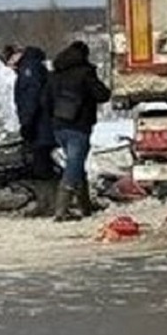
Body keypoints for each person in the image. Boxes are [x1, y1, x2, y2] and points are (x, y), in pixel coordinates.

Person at [42, 39, 112, 221]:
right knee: (74, 165)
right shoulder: (85, 73)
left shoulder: (54, 74)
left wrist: (55, 118)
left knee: (76, 164)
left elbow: (45, 102)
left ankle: (85, 206)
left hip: (59, 127)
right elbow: (102, 95)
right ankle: (61, 209)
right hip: (78, 126)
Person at [0, 43, 58, 185]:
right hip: (45, 124)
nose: (11, 68)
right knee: (44, 164)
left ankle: (48, 203)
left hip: (40, 126)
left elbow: (30, 99)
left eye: (8, 63)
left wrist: (27, 124)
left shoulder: (28, 70)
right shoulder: (35, 66)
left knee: (41, 168)